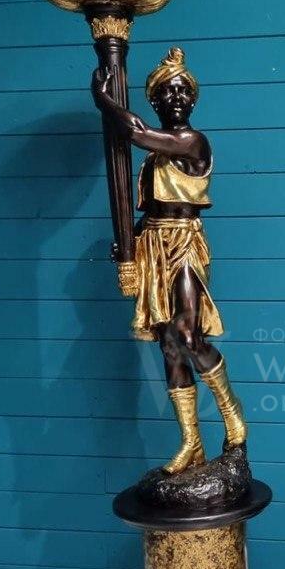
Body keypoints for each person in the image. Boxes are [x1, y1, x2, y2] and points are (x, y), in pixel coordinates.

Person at [92, 47, 246, 474]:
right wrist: (130, 241)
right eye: (167, 91)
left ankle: (232, 415)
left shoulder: (192, 142)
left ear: (192, 100)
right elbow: (151, 209)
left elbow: (135, 131)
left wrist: (104, 100)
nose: (176, 97)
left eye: (183, 91)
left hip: (184, 243)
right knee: (169, 344)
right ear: (156, 100)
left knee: (187, 333)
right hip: (155, 248)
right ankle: (191, 442)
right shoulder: (154, 159)